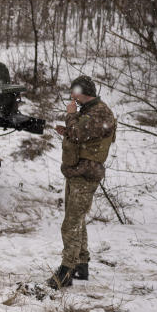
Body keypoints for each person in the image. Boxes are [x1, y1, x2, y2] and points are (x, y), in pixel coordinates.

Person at [48, 75, 116, 289]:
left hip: (85, 174)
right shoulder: (90, 111)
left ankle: (65, 271)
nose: (71, 96)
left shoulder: (99, 112)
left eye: (73, 92)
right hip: (77, 172)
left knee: (71, 224)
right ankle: (81, 265)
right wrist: (68, 128)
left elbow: (78, 133)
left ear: (81, 91)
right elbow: (81, 134)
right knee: (77, 220)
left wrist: (70, 118)